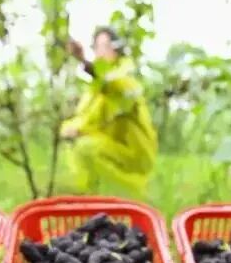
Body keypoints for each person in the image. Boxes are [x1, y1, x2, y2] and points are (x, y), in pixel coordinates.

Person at [61, 27, 158, 196]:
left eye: (105, 46)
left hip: (133, 158)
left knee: (85, 147)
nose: (100, 53)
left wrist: (83, 61)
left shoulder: (125, 78)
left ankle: (103, 198)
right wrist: (66, 129)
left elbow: (114, 86)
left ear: (116, 49)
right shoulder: (95, 91)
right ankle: (86, 199)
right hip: (111, 153)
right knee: (77, 147)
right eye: (97, 47)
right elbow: (84, 118)